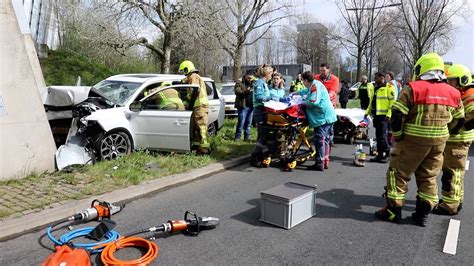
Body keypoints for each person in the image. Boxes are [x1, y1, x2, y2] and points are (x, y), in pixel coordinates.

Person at [374, 53, 464, 227]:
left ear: (422, 68)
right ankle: (422, 214)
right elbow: (459, 120)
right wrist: (446, 134)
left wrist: (398, 136)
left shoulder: (414, 88)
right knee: (429, 177)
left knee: (398, 173)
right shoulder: (453, 92)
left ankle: (393, 211)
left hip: (412, 141)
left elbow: (397, 114)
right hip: (438, 143)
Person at [433, 64, 473, 215]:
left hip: (458, 139)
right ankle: (456, 199)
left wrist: (457, 127)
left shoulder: (470, 93)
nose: (450, 84)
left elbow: (471, 118)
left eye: (452, 81)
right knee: (456, 172)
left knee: (451, 173)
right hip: (457, 139)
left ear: (462, 80)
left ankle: (450, 205)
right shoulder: (463, 93)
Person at [294, 71, 337, 171]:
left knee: (320, 140)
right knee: (326, 140)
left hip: (322, 118)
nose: (302, 83)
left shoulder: (315, 87)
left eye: (302, 81)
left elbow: (314, 102)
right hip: (327, 116)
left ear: (305, 80)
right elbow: (306, 91)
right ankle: (325, 161)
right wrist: (296, 93)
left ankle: (319, 163)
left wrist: (302, 103)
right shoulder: (315, 84)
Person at [178, 60, 211, 155]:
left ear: (186, 68)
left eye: (183, 71)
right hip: (198, 106)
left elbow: (193, 91)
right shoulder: (194, 77)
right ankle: (197, 147)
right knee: (196, 128)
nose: (183, 74)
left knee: (201, 127)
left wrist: (186, 100)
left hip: (200, 106)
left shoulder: (193, 77)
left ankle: (205, 149)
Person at [364, 72, 396, 163]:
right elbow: (372, 102)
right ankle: (380, 154)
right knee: (378, 136)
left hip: (384, 117)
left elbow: (392, 103)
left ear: (382, 78)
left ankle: (387, 153)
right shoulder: (376, 88)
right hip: (376, 116)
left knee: (382, 137)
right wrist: (367, 112)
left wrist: (389, 115)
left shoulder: (389, 88)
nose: (375, 79)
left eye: (376, 78)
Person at [250, 64, 273, 167]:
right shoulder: (259, 83)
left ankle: (260, 156)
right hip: (260, 111)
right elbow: (259, 97)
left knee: (264, 135)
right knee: (262, 135)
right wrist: (270, 98)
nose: (271, 76)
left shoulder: (263, 83)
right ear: (267, 73)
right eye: (271, 74)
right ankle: (255, 157)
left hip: (263, 110)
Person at [315, 63, 339, 147]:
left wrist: (323, 98)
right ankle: (319, 137)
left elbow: (333, 92)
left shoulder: (334, 79)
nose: (322, 72)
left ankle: (329, 139)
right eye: (321, 70)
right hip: (319, 106)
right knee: (320, 123)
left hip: (330, 105)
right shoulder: (316, 78)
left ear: (328, 70)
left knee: (329, 123)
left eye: (324, 70)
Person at [234, 71, 255, 141]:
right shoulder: (239, 82)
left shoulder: (254, 82)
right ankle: (237, 137)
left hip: (251, 106)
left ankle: (247, 137)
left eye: (251, 78)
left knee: (248, 123)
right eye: (248, 78)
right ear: (245, 75)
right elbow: (237, 91)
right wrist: (246, 91)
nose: (249, 79)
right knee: (241, 122)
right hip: (243, 106)